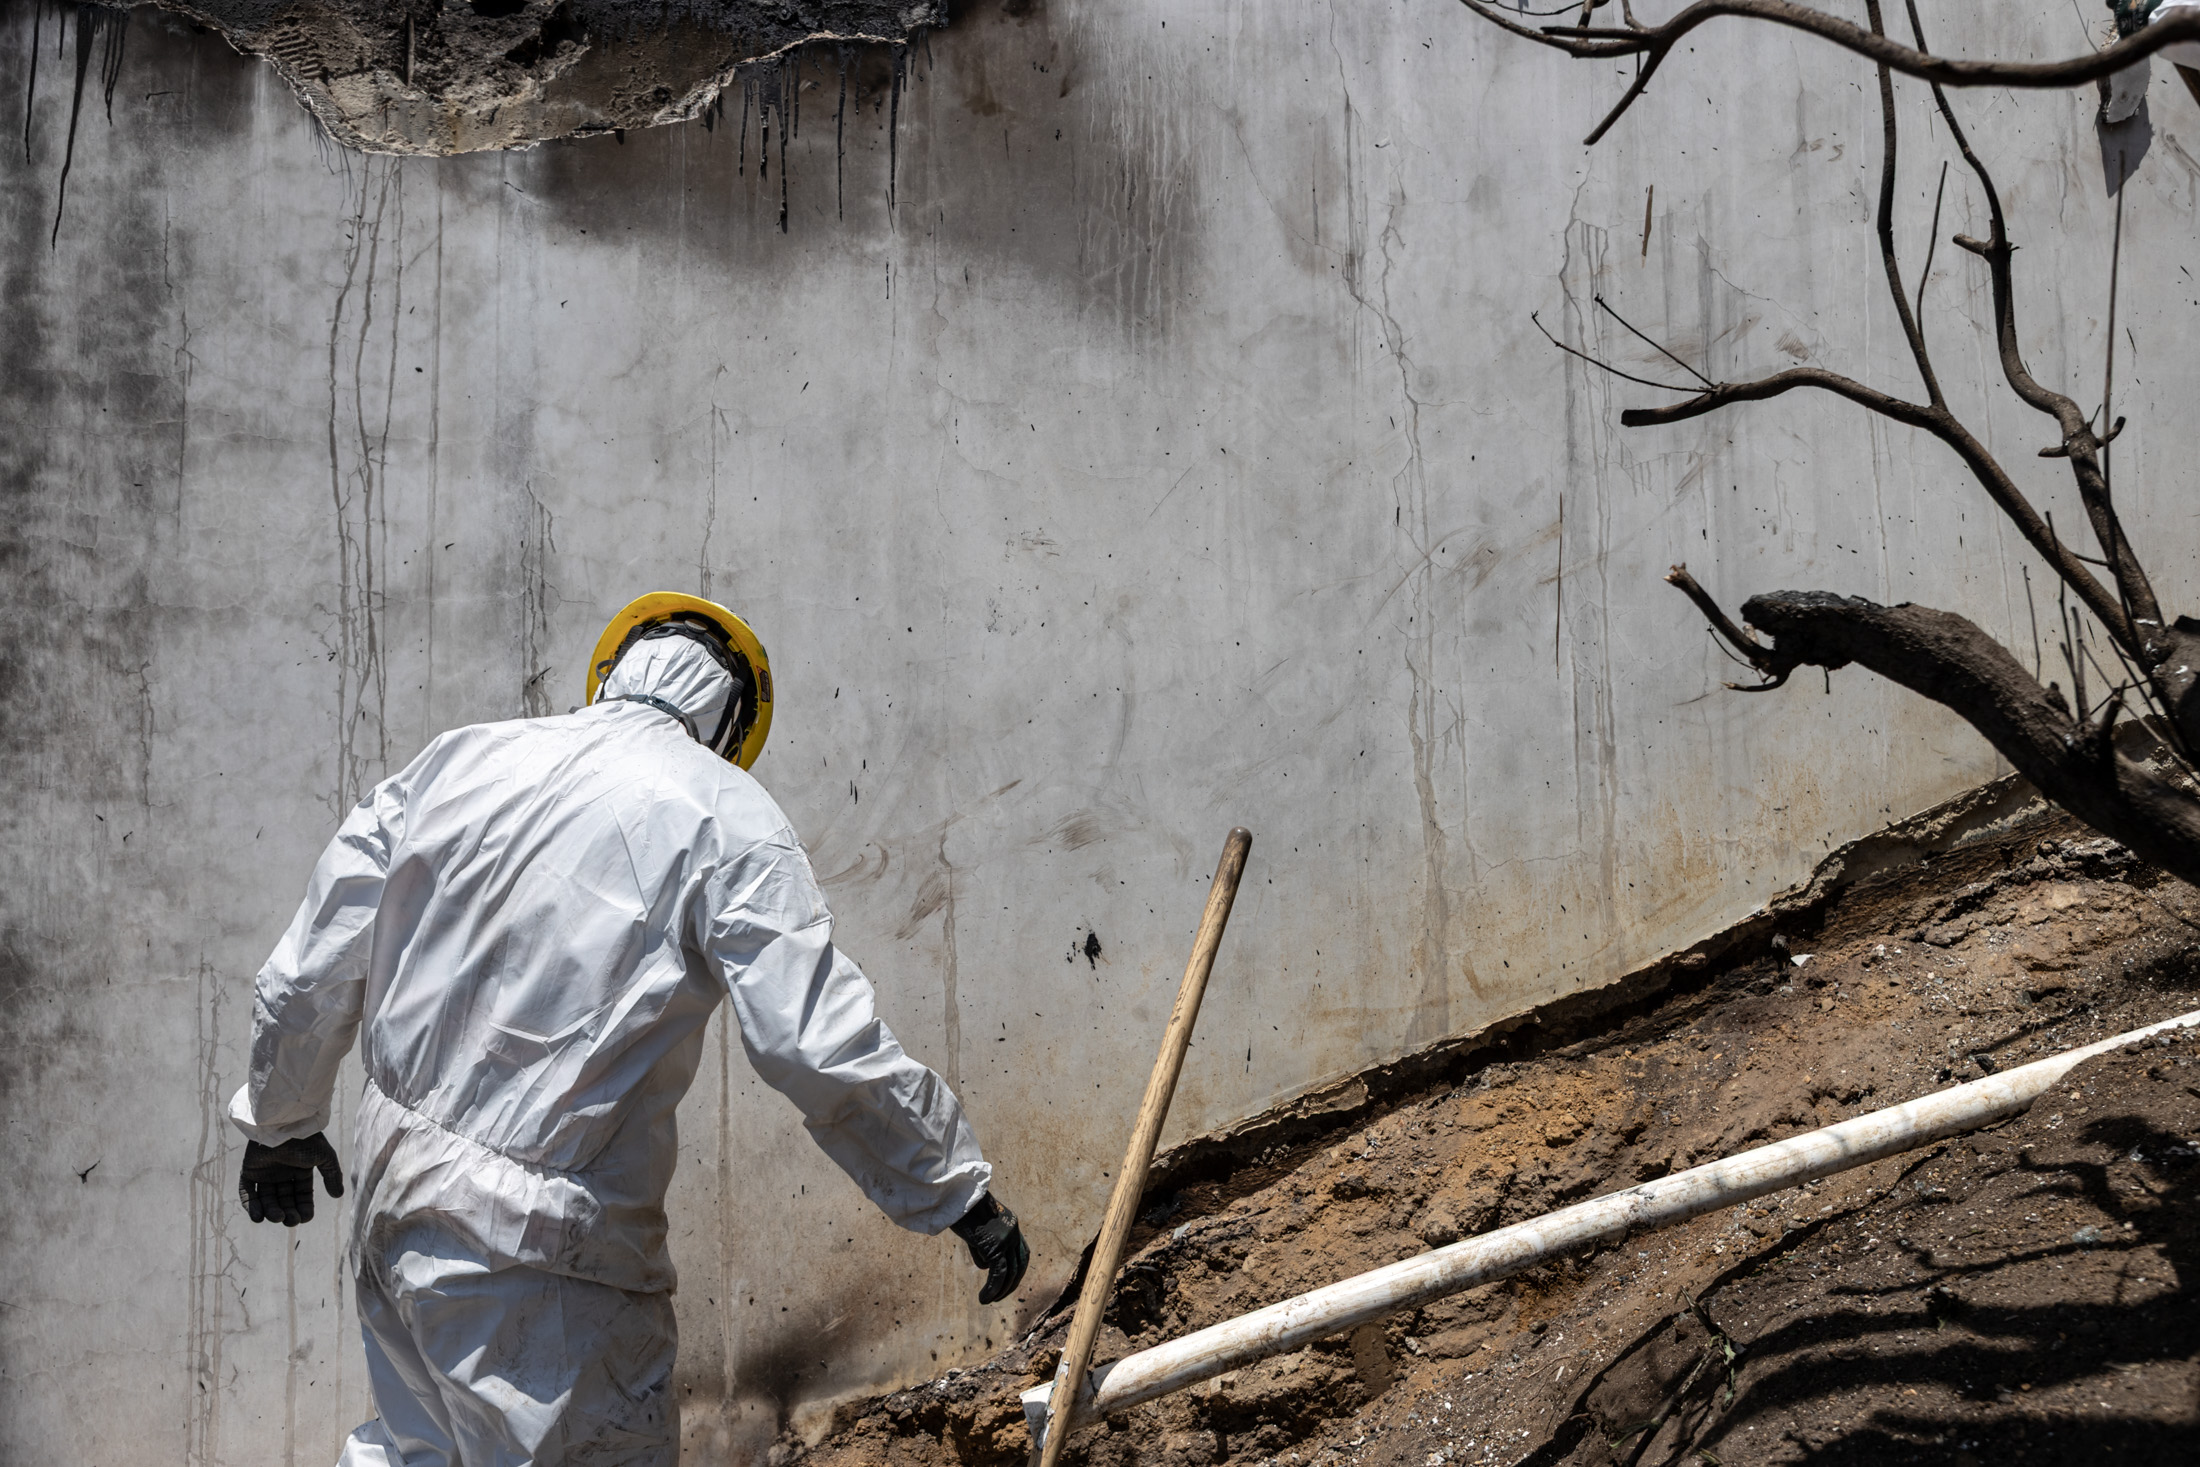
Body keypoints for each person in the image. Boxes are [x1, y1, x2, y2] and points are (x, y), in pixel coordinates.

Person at [229, 592, 1029, 1467]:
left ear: (608, 671)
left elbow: (309, 966)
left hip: (394, 1190)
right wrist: (956, 1191)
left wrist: (280, 1121)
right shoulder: (728, 815)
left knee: (414, 1448)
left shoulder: (459, 760)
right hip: (542, 1242)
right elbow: (815, 1042)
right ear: (732, 725)